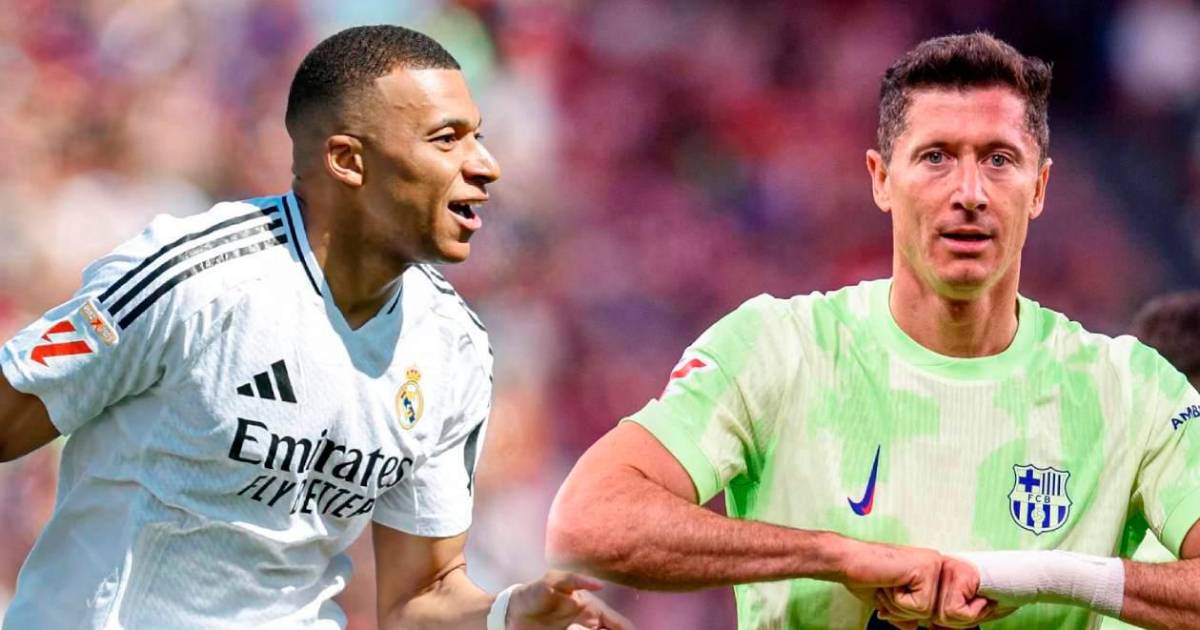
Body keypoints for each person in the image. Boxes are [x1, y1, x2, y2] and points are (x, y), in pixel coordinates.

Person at [546, 32, 1200, 630]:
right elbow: (588, 520)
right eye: (936, 157)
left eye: (999, 159)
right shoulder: (781, 348)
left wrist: (1044, 576)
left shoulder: (1128, 387)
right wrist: (836, 555)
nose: (969, 192)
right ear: (881, 179)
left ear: (1040, 188)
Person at [0, 25, 627, 629]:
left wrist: (504, 617)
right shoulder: (193, 281)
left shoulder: (454, 347)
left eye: (478, 138)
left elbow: (420, 597)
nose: (486, 165)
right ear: (348, 160)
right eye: (447, 139)